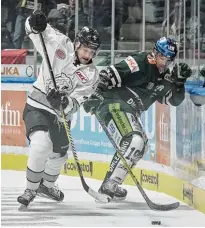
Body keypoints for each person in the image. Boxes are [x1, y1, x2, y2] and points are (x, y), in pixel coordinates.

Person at [83, 36, 192, 201]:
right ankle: (111, 183)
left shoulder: (166, 78)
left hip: (129, 111)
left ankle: (110, 183)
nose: (164, 62)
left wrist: (179, 83)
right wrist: (95, 94)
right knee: (134, 140)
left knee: (139, 145)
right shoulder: (140, 61)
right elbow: (108, 74)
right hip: (113, 104)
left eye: (169, 59)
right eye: (162, 57)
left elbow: (174, 101)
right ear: (155, 53)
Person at [17, 10, 101, 207]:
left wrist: (65, 103)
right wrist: (34, 22)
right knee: (40, 145)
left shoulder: (91, 74)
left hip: (60, 115)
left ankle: (47, 185)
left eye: (92, 52)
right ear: (77, 44)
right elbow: (35, 31)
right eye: (85, 50)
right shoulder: (59, 43)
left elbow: (78, 101)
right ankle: (30, 189)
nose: (87, 55)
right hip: (37, 106)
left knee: (60, 154)